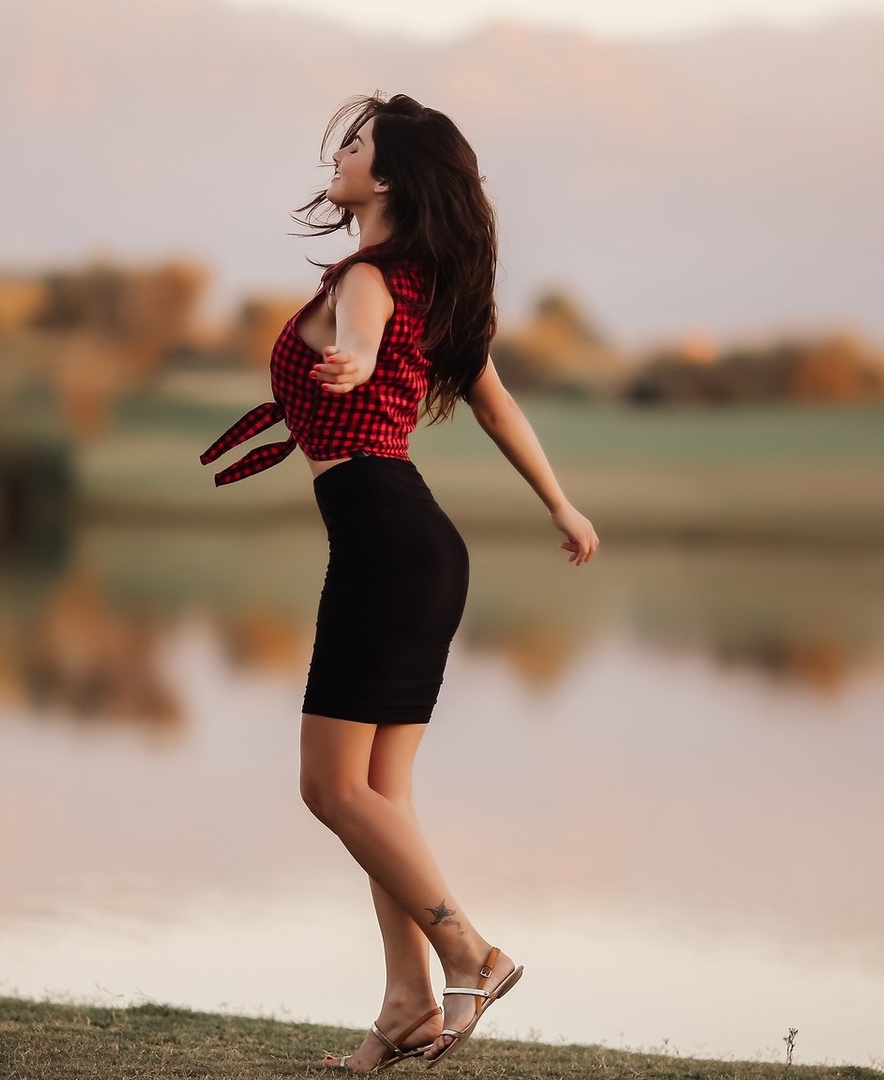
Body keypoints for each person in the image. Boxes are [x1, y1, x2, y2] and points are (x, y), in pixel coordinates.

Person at [200, 92, 600, 1072]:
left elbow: (365, 339)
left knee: (329, 788)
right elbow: (500, 410)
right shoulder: (427, 286)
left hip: (386, 547)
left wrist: (353, 362)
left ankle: (469, 951)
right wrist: (562, 506)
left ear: (387, 180)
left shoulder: (374, 281)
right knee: (381, 792)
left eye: (356, 145)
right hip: (420, 549)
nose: (337, 156)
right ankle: (409, 1001)